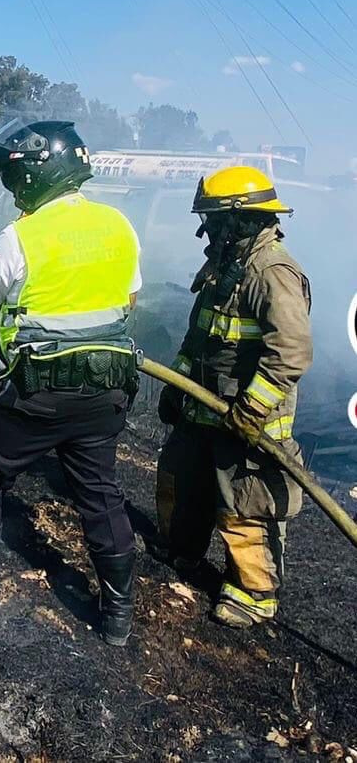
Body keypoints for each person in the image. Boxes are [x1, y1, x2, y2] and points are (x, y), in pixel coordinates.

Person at [0, 119, 143, 646]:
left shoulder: (21, 234)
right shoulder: (119, 224)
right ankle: (118, 619)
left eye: (14, 178)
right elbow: (129, 301)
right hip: (109, 385)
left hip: (37, 389)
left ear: (35, 175)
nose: (12, 190)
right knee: (99, 491)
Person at [154, 166, 311, 629]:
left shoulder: (272, 271)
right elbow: (200, 336)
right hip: (201, 409)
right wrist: (175, 384)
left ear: (239, 220)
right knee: (181, 481)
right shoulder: (227, 264)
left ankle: (253, 592)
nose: (207, 230)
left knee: (244, 503)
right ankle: (181, 551)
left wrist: (252, 409)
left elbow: (292, 352)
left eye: (214, 221)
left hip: (246, 421)